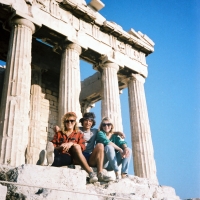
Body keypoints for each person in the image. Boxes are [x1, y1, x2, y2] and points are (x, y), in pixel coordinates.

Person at [53, 112, 125, 182]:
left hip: (90, 157)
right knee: (77, 147)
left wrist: (117, 132)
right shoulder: (77, 130)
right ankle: (90, 172)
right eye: (86, 120)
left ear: (92, 123)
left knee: (100, 145)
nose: (88, 123)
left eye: (90, 121)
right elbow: (67, 129)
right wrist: (57, 129)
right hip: (78, 155)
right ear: (82, 121)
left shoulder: (95, 131)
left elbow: (106, 131)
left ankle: (100, 173)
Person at [39, 112, 98, 183]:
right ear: (65, 122)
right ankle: (47, 158)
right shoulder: (59, 133)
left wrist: (71, 144)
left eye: (72, 121)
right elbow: (52, 146)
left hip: (70, 155)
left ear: (75, 123)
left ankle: (46, 160)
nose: (69, 122)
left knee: (63, 157)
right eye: (67, 121)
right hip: (59, 152)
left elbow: (82, 147)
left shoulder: (79, 134)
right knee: (53, 150)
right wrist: (60, 147)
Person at [96, 117, 132, 181]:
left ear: (111, 126)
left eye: (108, 124)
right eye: (104, 125)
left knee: (128, 150)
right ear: (102, 126)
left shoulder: (114, 136)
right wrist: (120, 149)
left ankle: (124, 173)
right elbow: (108, 142)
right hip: (104, 162)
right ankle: (117, 173)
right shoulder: (100, 133)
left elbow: (122, 142)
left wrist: (125, 148)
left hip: (113, 163)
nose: (106, 126)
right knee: (108, 147)